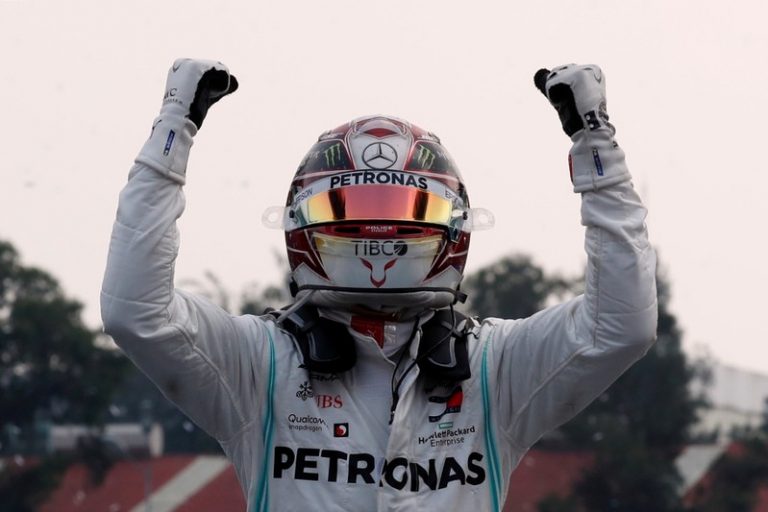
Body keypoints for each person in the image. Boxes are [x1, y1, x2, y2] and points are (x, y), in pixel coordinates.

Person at [101, 59, 657, 511]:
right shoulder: (260, 363)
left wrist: (596, 147)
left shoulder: (494, 367)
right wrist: (171, 137)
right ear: (302, 224)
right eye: (351, 212)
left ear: (452, 227)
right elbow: (135, 313)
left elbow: (622, 326)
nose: (379, 235)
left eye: (405, 214)